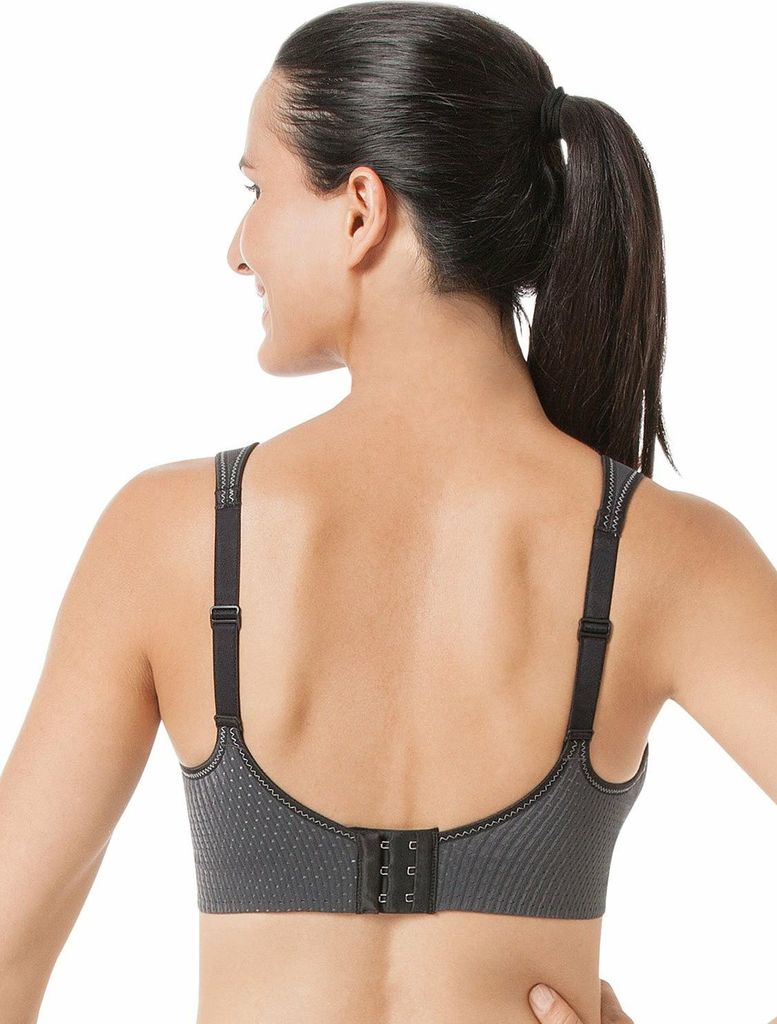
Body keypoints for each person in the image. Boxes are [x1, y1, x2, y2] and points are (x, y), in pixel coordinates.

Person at [1, 3, 775, 1022]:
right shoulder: (663, 554)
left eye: (256, 189)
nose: (238, 250)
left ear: (361, 209)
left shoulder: (172, 538)